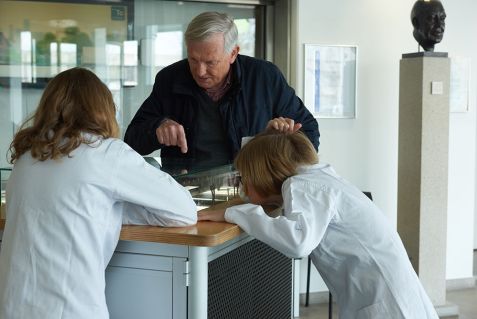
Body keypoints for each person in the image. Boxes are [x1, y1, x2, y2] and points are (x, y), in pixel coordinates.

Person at [0, 67, 197, 319]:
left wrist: (113, 209)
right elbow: (185, 210)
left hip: (13, 308)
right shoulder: (106, 153)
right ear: (104, 108)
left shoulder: (26, 157)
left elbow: (76, 205)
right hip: (72, 310)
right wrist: (121, 210)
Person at [198, 131, 439, 319]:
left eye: (245, 178)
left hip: (389, 306)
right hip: (394, 298)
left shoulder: (303, 185)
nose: (244, 188)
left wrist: (234, 212)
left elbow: (297, 242)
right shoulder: (318, 179)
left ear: (262, 172)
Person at [124, 11, 319, 165]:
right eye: (193, 60)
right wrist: (156, 127)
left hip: (255, 194)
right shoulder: (170, 79)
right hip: (187, 194)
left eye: (210, 62)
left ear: (233, 53)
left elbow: (309, 133)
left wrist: (279, 140)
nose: (200, 72)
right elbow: (131, 141)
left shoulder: (265, 77)